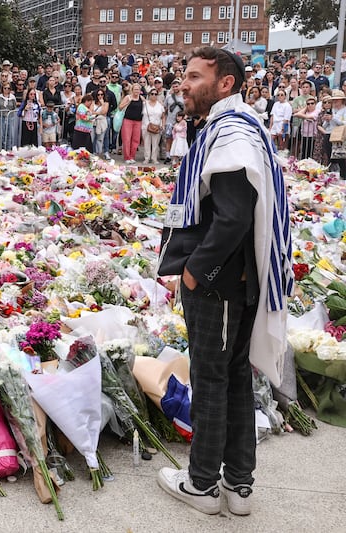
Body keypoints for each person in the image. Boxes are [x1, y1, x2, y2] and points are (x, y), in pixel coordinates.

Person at [157, 46, 292, 519]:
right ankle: (238, 486)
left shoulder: (231, 133)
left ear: (225, 84)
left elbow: (233, 217)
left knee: (211, 380)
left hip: (219, 286)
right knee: (233, 378)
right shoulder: (232, 127)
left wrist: (196, 271)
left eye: (194, 76)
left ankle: (200, 485)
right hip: (234, 283)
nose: (184, 84)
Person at [119, 84, 144, 164]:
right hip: (128, 120)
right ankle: (127, 157)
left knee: (136, 140)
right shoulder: (128, 97)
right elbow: (120, 107)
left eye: (138, 89)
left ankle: (132, 156)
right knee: (127, 139)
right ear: (132, 90)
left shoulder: (141, 98)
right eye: (135, 89)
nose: (136, 91)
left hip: (138, 121)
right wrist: (128, 103)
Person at [142, 88, 166, 164]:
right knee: (146, 143)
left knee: (155, 144)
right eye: (152, 94)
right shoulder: (144, 104)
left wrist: (163, 125)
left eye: (155, 94)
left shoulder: (160, 105)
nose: (154, 95)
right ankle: (147, 158)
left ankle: (154, 158)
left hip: (157, 126)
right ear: (149, 95)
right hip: (146, 125)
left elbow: (163, 116)